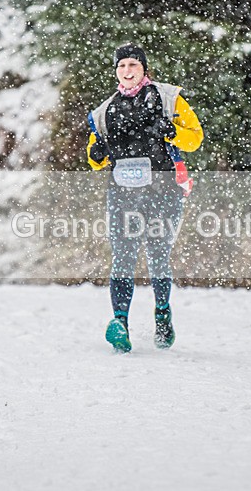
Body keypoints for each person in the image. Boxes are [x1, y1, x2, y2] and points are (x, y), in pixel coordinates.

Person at [87, 43, 203, 353]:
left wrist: (172, 131)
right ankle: (120, 322)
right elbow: (93, 153)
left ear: (144, 69)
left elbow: (195, 138)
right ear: (116, 72)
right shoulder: (105, 110)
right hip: (123, 191)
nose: (127, 71)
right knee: (123, 256)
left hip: (163, 188)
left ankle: (162, 313)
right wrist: (96, 154)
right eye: (122, 65)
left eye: (133, 65)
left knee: (157, 254)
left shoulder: (168, 98)